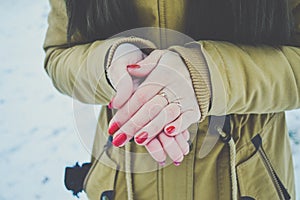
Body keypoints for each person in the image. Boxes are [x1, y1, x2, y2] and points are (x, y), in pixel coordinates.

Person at [43, 0, 300, 199]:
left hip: (248, 182)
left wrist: (208, 75)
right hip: (119, 185)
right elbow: (59, 55)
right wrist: (110, 62)